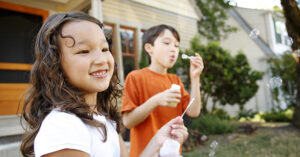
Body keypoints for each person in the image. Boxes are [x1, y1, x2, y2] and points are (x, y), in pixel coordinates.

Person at [20, 12, 188, 157]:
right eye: (84, 51)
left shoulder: (104, 119)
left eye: (104, 49)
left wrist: (158, 141)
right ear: (54, 64)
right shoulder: (63, 127)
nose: (101, 60)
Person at [121, 24, 204, 157]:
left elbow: (193, 111)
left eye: (176, 46)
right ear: (149, 48)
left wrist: (195, 77)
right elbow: (128, 122)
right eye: (166, 43)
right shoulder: (136, 77)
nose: (173, 49)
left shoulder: (175, 80)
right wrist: (156, 100)